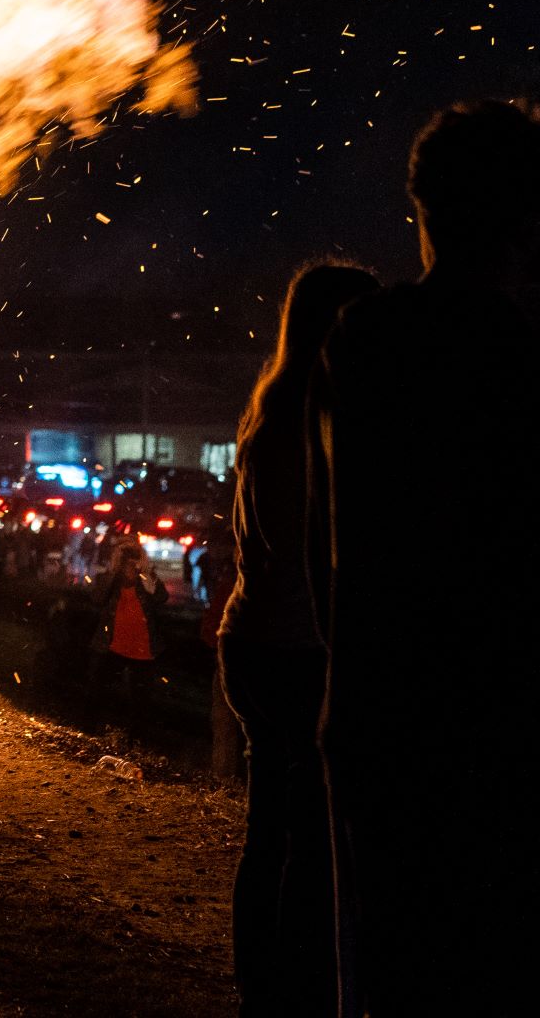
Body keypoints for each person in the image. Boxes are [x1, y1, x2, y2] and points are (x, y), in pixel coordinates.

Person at [309, 101, 540, 1014]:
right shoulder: (532, 371)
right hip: (494, 746)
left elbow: (322, 551)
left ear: (426, 215)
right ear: (532, 223)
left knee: (396, 978)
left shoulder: (358, 341)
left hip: (375, 720)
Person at [216, 261, 378, 1018]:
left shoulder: (268, 415)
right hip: (293, 648)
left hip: (252, 639)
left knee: (273, 822)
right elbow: (307, 553)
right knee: (306, 831)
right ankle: (292, 987)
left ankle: (264, 980)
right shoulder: (305, 429)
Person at [87, 535, 165, 734]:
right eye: (126, 564)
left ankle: (135, 739)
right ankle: (95, 729)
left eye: (134, 563)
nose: (131, 569)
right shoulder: (112, 581)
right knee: (99, 691)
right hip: (112, 647)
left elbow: (161, 598)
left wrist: (149, 577)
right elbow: (97, 598)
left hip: (142, 650)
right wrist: (113, 572)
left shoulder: (145, 580)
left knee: (140, 701)